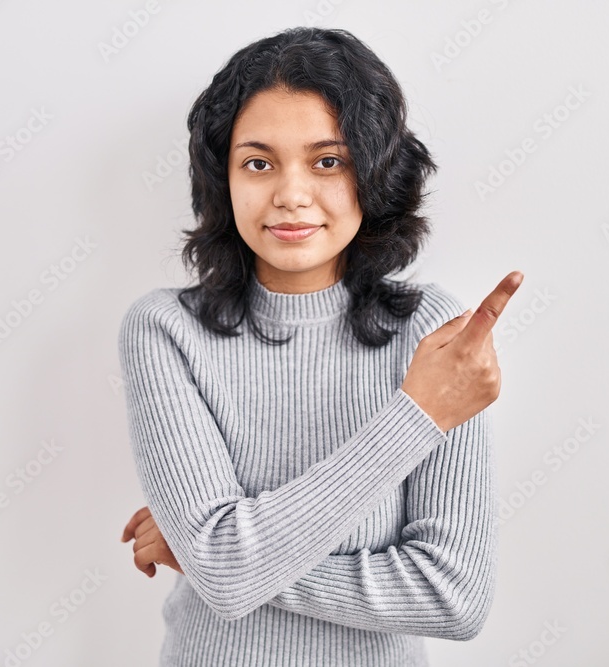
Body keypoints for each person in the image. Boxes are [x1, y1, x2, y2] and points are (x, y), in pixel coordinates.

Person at [118, 25, 523, 666]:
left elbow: (452, 597)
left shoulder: (434, 332)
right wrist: (417, 417)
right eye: (258, 163)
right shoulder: (166, 329)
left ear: (374, 173)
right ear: (223, 178)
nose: (290, 195)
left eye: (328, 161)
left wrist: (213, 558)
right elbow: (223, 570)